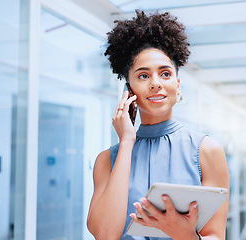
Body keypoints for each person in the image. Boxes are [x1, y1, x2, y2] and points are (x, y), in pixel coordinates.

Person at [87, 10, 229, 240]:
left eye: (165, 73)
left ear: (178, 84)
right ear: (129, 90)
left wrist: (184, 234)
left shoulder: (207, 151)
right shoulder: (107, 160)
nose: (155, 84)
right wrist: (126, 142)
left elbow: (215, 235)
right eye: (143, 76)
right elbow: (104, 235)